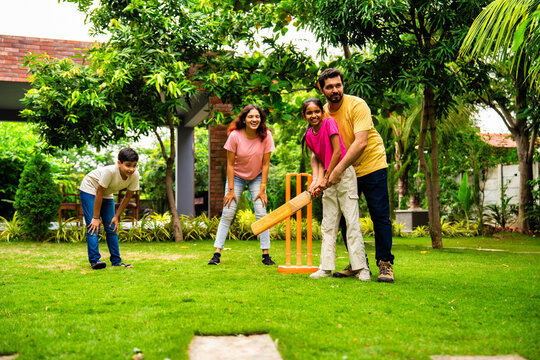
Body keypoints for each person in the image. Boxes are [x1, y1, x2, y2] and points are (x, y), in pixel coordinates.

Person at [318, 68, 395, 283]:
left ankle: (385, 263)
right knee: (344, 217)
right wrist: (324, 175)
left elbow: (360, 142)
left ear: (343, 85)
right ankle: (357, 262)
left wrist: (337, 170)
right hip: (346, 169)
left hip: (371, 164)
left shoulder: (357, 105)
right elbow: (323, 146)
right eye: (330, 86)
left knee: (379, 215)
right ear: (321, 89)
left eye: (338, 85)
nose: (335, 90)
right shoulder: (322, 113)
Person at [301, 98, 370, 281]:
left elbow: (337, 151)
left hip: (344, 174)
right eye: (309, 112)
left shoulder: (329, 122)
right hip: (327, 177)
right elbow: (316, 157)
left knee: (352, 221)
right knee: (328, 224)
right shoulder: (309, 135)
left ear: (322, 113)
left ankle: (361, 268)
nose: (314, 115)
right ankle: (325, 268)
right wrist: (316, 181)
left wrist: (327, 176)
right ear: (304, 116)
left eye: (317, 111)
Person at [208, 104, 276, 266]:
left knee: (261, 212)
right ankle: (216, 254)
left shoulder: (266, 135)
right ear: (244, 119)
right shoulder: (235, 136)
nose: (254, 119)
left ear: (261, 119)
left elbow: (266, 164)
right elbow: (230, 164)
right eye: (251, 117)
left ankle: (266, 255)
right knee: (228, 212)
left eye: (257, 117)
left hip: (257, 176)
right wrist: (230, 190)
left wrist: (262, 189)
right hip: (237, 177)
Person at [79, 147, 140, 270]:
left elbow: (128, 197)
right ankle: (95, 260)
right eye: (128, 165)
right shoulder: (110, 172)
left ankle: (116, 261)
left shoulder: (134, 175)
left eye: (134, 166)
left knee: (112, 226)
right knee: (93, 225)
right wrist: (96, 218)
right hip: (90, 188)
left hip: (106, 192)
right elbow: (99, 192)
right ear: (119, 163)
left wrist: (116, 216)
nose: (131, 169)